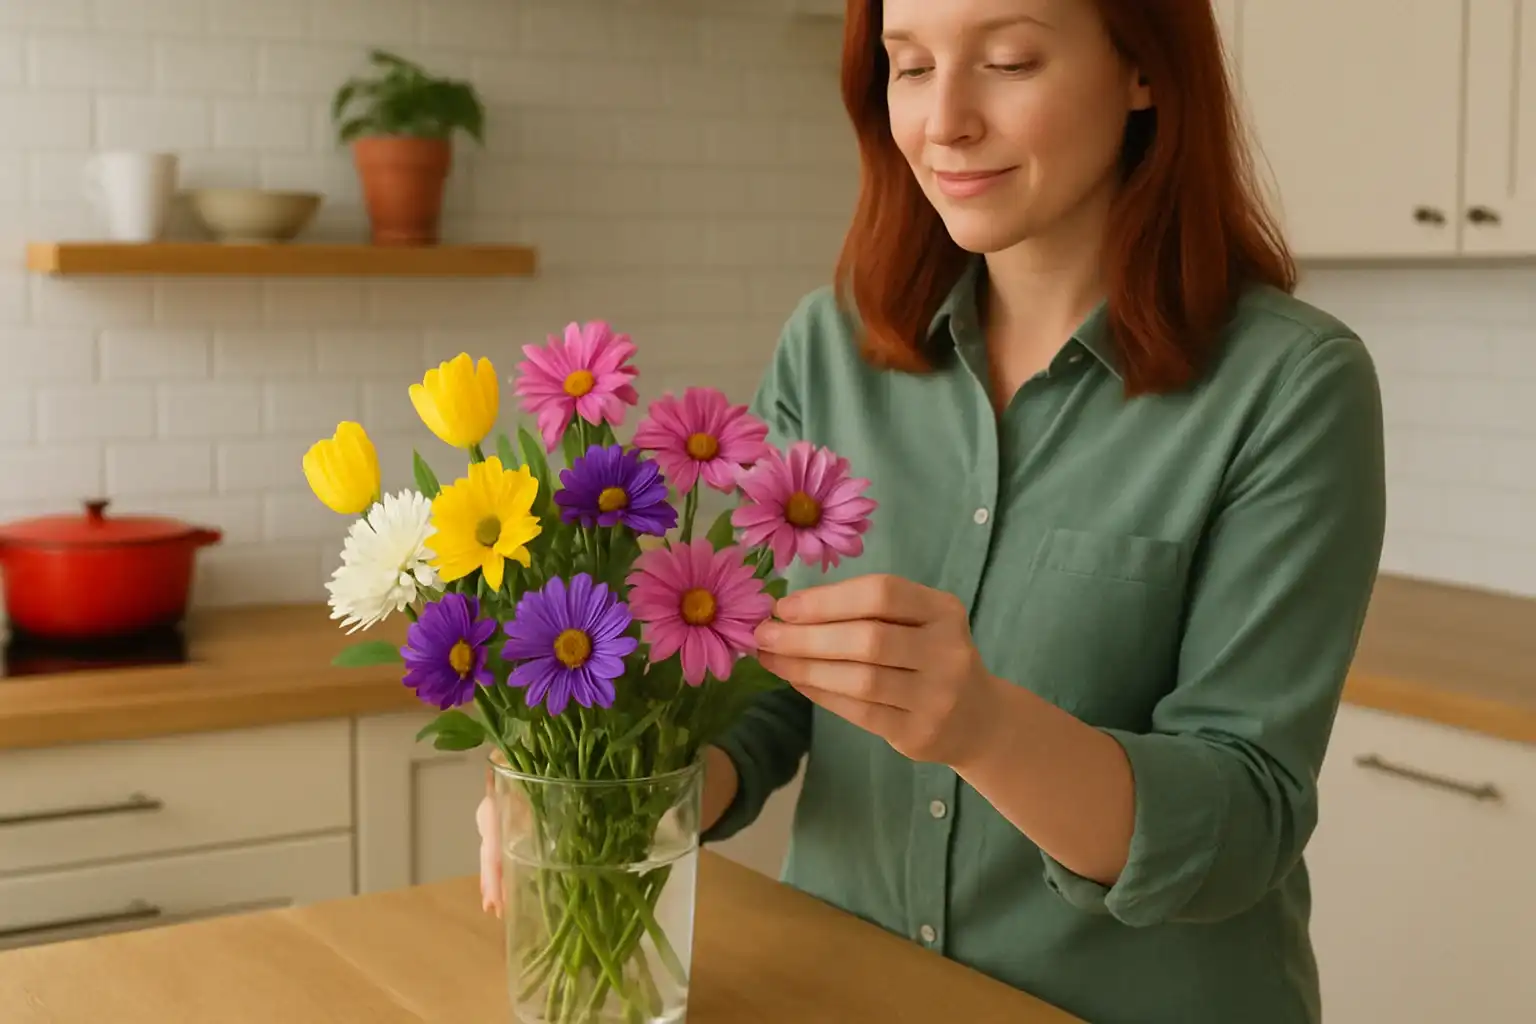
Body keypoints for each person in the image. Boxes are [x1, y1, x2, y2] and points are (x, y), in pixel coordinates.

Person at [479, 1, 1387, 1021]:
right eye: (909, 67)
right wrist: (609, 796)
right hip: (851, 996)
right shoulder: (829, 348)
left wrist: (987, 728)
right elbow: (768, 690)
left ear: (1144, 69)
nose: (944, 121)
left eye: (1010, 60)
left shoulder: (1291, 386)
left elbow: (1246, 819)